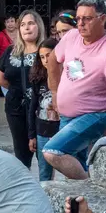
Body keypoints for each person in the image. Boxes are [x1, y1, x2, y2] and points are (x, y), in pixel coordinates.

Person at [44, 0, 106, 180]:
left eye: (87, 19)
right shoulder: (71, 37)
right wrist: (54, 92)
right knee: (74, 164)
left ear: (102, 19)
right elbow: (53, 58)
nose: (81, 24)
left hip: (95, 114)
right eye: (78, 19)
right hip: (68, 115)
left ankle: (88, 185)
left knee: (53, 151)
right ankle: (83, 199)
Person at [0, 9, 45, 168]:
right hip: (15, 108)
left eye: (31, 23)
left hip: (41, 109)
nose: (26, 28)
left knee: (43, 153)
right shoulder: (10, 51)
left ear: (39, 26)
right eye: (22, 24)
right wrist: (20, 91)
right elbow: (0, 79)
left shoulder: (47, 51)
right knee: (21, 153)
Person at [29, 39, 60, 182]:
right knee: (44, 172)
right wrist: (32, 135)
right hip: (43, 130)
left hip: (62, 128)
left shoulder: (69, 75)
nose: (46, 60)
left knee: (71, 169)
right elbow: (32, 108)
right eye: (42, 57)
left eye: (49, 55)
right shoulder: (38, 79)